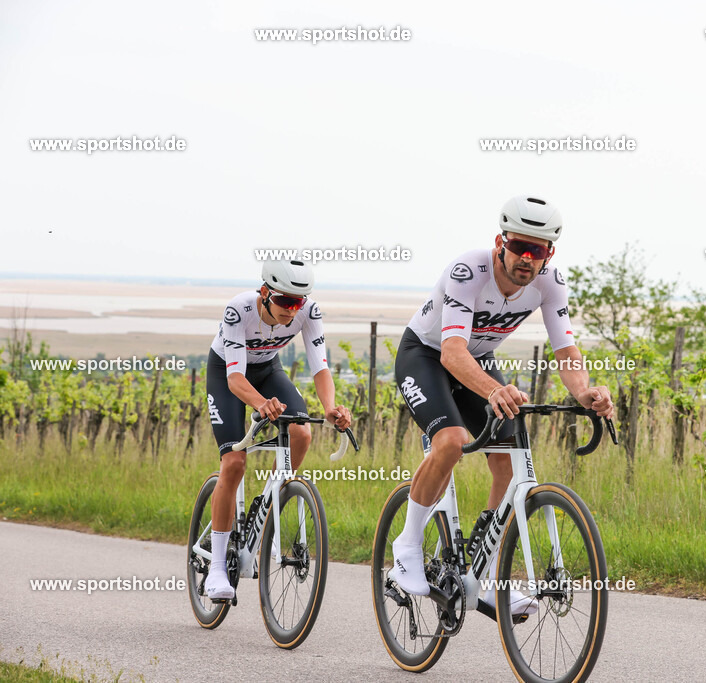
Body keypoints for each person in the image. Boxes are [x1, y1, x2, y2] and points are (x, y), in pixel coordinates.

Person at [390, 195, 615, 615]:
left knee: (508, 460)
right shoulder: (468, 271)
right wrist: (494, 390)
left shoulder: (551, 283)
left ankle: (487, 576)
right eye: (519, 246)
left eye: (538, 250)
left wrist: (584, 392)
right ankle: (407, 546)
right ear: (501, 242)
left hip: (476, 360)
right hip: (426, 355)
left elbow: (566, 351)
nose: (527, 258)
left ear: (550, 254)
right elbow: (452, 352)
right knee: (451, 441)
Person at [204, 259, 352, 600]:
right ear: (265, 293)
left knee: (302, 433)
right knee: (234, 463)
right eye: (285, 301)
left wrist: (330, 407)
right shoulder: (239, 310)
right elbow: (235, 378)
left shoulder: (308, 312)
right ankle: (216, 568)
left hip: (268, 369)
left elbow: (320, 368)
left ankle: (267, 504)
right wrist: (260, 404)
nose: (292, 309)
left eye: (298, 302)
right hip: (227, 374)